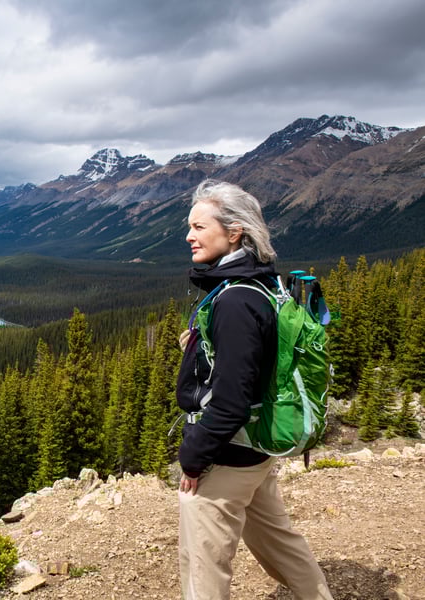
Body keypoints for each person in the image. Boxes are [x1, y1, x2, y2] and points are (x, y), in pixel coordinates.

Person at [176, 179, 333, 599]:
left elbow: (231, 399)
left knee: (203, 568)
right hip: (256, 448)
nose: (189, 236)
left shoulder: (235, 301)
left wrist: (194, 457)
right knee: (280, 543)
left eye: (198, 227)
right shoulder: (263, 284)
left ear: (234, 233)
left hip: (228, 455)